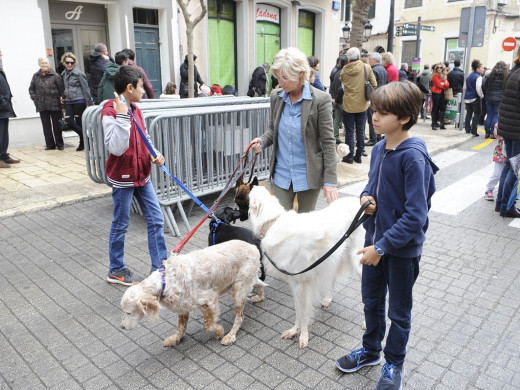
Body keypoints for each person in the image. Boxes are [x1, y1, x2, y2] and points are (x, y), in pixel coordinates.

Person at [336, 81, 438, 390]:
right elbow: (372, 187)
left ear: (404, 118)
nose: (374, 118)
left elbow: (416, 216)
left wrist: (380, 247)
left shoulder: (414, 157)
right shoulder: (379, 148)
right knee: (371, 302)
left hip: (400, 251)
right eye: (374, 111)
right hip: (375, 242)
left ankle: (394, 362)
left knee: (399, 312)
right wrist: (365, 199)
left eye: (382, 113)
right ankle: (370, 351)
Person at [250, 47, 338, 213]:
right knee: (278, 223)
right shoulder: (276, 96)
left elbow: (328, 142)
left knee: (305, 227)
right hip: (282, 173)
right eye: (278, 77)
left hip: (309, 175)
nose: (280, 82)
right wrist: (262, 141)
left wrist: (330, 181)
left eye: (285, 77)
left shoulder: (320, 99)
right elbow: (272, 130)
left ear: (300, 73)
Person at [102, 65, 168, 285]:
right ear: (129, 88)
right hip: (123, 178)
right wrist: (122, 117)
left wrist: (154, 153)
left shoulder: (137, 109)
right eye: (141, 87)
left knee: (156, 219)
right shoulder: (110, 111)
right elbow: (116, 148)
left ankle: (160, 268)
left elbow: (144, 137)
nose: (145, 91)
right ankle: (116, 270)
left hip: (142, 175)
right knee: (120, 224)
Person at [340, 47, 377, 164]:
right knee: (361, 130)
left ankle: (349, 156)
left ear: (348, 58)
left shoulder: (344, 70)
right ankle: (359, 155)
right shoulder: (366, 67)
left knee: (350, 131)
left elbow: (342, 86)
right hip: (362, 104)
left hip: (348, 104)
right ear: (359, 56)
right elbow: (374, 84)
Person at [496, 47, 520, 218]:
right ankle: (507, 207)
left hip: (509, 127)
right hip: (517, 129)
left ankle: (500, 203)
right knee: (515, 168)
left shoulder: (513, 71)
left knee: (509, 165)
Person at [29, 57, 65, 151]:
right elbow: (31, 89)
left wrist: (63, 104)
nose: (44, 65)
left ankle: (60, 144)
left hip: (55, 105)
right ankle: (50, 145)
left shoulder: (56, 76)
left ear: (49, 64)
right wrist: (35, 98)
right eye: (42, 63)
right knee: (46, 127)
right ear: (39, 64)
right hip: (42, 105)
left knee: (57, 126)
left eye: (46, 63)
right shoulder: (35, 76)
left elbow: (62, 90)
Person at [61, 52, 93, 151]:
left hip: (79, 100)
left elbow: (86, 88)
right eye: (67, 62)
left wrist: (89, 103)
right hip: (69, 101)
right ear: (64, 63)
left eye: (72, 62)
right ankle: (86, 138)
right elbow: (64, 88)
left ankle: (82, 143)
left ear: (74, 63)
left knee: (79, 123)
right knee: (69, 122)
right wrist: (62, 100)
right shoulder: (63, 74)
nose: (70, 64)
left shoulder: (79, 73)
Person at [0, 48, 19, 168]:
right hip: (1, 105)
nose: (1, 54)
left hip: (4, 107)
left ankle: (4, 156)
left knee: (4, 133)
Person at [366, 52, 388, 146]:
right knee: (379, 117)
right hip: (382, 96)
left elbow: (371, 85)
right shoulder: (383, 69)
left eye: (370, 59)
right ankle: (378, 136)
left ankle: (373, 138)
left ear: (374, 60)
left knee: (373, 118)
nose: (369, 61)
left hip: (375, 97)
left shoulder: (374, 70)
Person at [483, 61, 507, 139]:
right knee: (496, 115)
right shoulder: (504, 76)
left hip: (489, 97)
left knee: (489, 114)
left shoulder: (490, 75)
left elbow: (485, 85)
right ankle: (493, 133)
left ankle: (487, 132)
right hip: (499, 98)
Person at [330, 56, 348, 145]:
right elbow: (341, 89)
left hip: (337, 100)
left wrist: (333, 98)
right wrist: (336, 99)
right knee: (343, 120)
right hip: (341, 100)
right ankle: (336, 137)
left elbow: (332, 87)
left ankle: (335, 136)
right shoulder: (343, 73)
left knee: (337, 120)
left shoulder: (336, 73)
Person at [485, 125, 506, 201]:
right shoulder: (499, 123)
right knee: (497, 173)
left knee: (512, 174)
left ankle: (510, 192)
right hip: (501, 153)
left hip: (513, 151)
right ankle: (489, 190)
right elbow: (497, 135)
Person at [463, 59, 484, 136]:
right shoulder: (478, 77)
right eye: (482, 68)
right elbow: (478, 88)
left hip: (467, 97)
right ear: (477, 68)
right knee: (477, 114)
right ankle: (474, 130)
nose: (483, 69)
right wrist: (481, 96)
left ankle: (467, 129)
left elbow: (464, 87)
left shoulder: (469, 76)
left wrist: (466, 94)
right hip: (475, 98)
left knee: (469, 113)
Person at [430, 62, 449, 130]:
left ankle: (442, 124)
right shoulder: (435, 75)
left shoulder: (444, 75)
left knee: (442, 108)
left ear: (443, 68)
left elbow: (447, 84)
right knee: (435, 108)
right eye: (438, 67)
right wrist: (443, 83)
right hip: (436, 93)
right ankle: (434, 124)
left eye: (441, 67)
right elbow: (438, 84)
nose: (439, 69)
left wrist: (443, 83)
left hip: (441, 93)